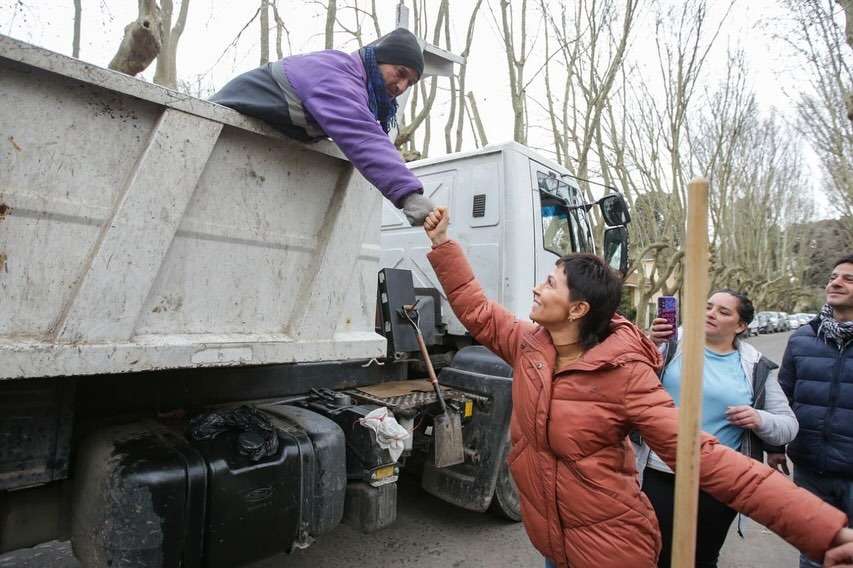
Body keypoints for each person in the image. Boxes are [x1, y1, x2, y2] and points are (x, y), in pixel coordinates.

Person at [420, 206, 851, 568]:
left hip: (612, 549)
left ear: (578, 309)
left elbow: (703, 457)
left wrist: (821, 530)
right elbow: (475, 310)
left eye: (550, 283)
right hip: (553, 541)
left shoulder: (626, 375)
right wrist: (442, 243)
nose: (536, 287)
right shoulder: (529, 346)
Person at [210, 27, 434, 225]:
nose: (402, 86)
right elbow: (363, 137)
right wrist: (409, 194)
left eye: (410, 83)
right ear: (378, 61)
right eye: (400, 73)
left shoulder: (356, 86)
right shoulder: (337, 73)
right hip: (210, 128)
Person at [639, 290, 798, 568]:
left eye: (724, 312)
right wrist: (651, 342)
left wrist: (757, 418)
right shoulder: (672, 344)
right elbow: (628, 377)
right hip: (660, 472)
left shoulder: (754, 365)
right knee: (654, 555)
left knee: (702, 558)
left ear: (740, 326)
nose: (711, 314)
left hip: (718, 480)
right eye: (708, 306)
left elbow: (788, 426)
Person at [774, 254, 853, 568]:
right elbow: (781, 397)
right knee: (814, 555)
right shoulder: (803, 338)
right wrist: (775, 446)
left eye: (848, 279)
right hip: (810, 468)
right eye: (834, 276)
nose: (835, 282)